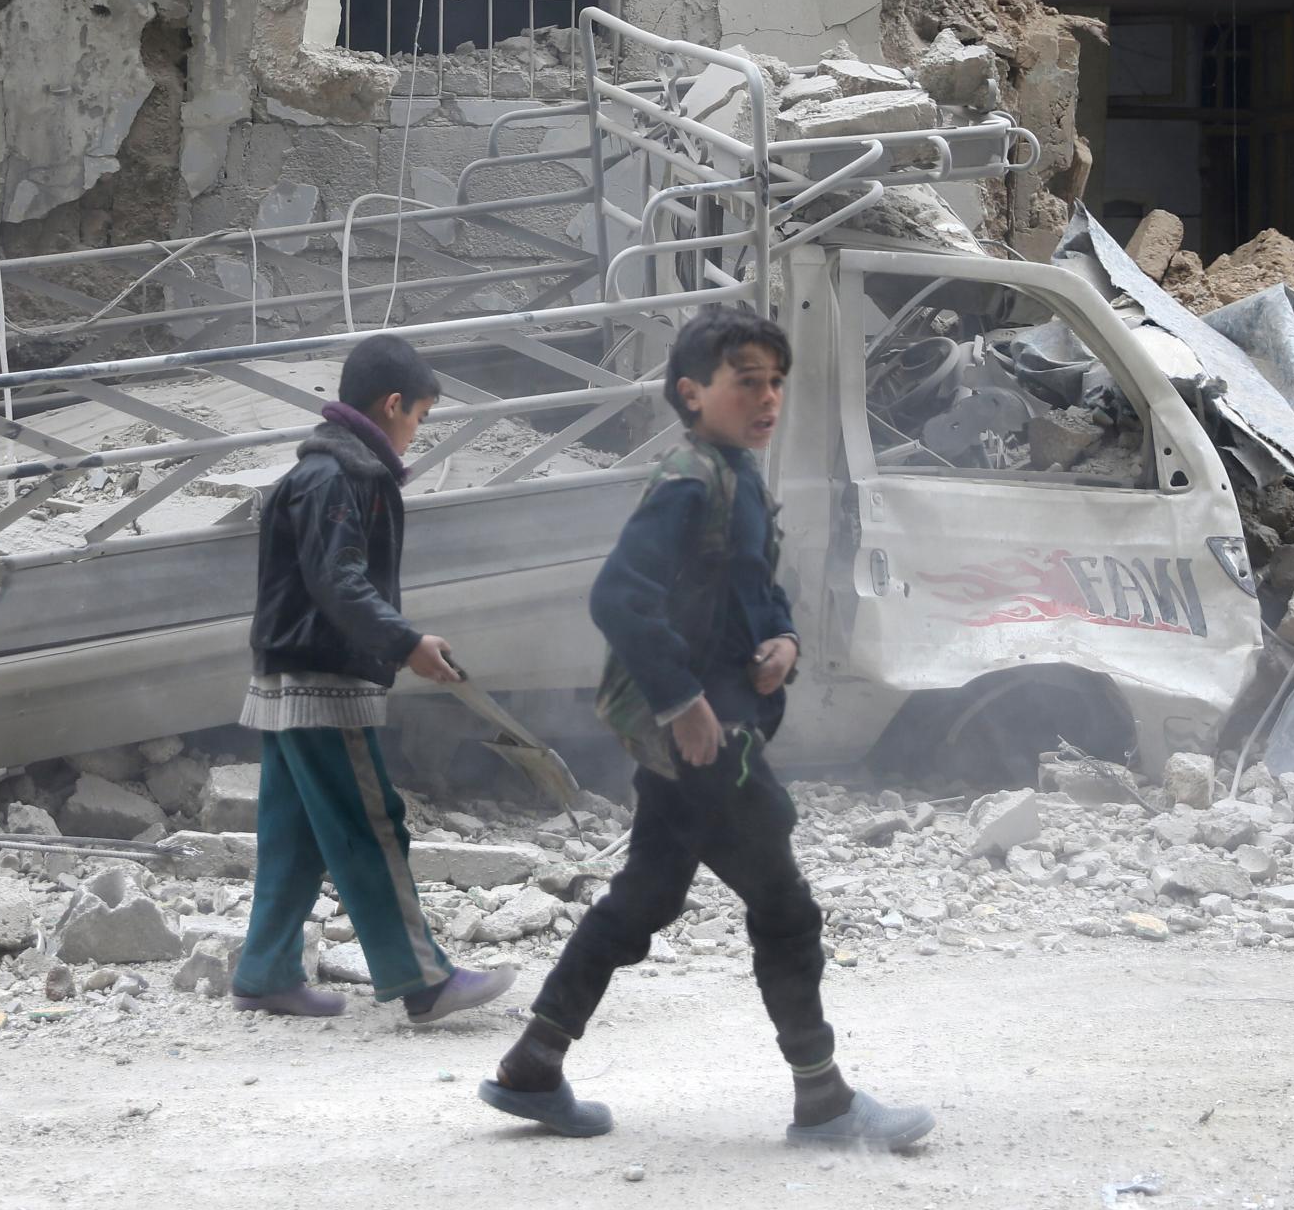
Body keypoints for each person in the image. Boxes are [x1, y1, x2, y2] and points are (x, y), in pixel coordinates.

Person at [477, 304, 934, 1148]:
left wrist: (785, 640)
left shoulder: (735, 474)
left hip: (709, 729)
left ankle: (534, 1062)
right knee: (785, 906)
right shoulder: (690, 480)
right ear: (691, 393)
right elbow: (618, 595)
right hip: (704, 738)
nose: (767, 399)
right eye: (746, 382)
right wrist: (684, 701)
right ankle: (823, 1098)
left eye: (776, 383)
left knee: (647, 892)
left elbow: (753, 587)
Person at [230, 332, 515, 1025]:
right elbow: (339, 582)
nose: (417, 432)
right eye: (418, 415)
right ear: (392, 405)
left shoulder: (321, 471)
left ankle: (266, 968)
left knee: (295, 833)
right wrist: (407, 641)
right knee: (369, 821)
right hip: (323, 683)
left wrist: (404, 640)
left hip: (286, 677)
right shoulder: (342, 477)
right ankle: (422, 978)